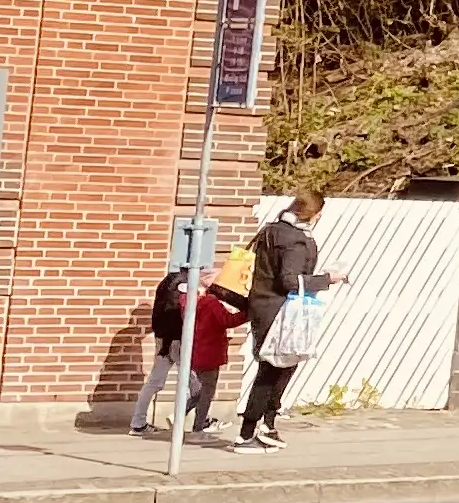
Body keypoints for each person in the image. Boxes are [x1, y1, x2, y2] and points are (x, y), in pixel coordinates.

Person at [238, 192, 338, 449]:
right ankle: (247, 433)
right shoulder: (296, 241)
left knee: (280, 366)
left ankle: (266, 426)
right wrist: (328, 279)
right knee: (273, 370)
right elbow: (290, 281)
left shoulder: (271, 231)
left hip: (262, 306)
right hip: (282, 311)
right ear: (315, 214)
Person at [184, 278, 247, 440]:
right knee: (206, 391)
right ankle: (198, 428)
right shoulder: (211, 304)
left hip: (195, 351)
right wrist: (249, 313)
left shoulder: (190, 304)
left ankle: (179, 415)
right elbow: (228, 320)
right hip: (210, 353)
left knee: (199, 391)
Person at [130, 264, 188, 437]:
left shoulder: (167, 281)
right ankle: (193, 419)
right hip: (175, 339)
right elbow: (175, 312)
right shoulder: (182, 283)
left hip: (164, 338)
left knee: (155, 381)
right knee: (196, 382)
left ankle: (138, 423)